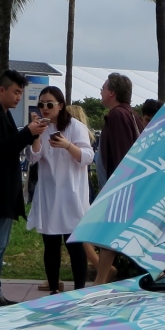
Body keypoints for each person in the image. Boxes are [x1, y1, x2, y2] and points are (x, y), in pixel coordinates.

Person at [0, 70, 46, 307]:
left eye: (21, 93)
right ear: (2, 90)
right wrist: (28, 133)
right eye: (16, 92)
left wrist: (27, 132)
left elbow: (8, 145)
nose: (19, 97)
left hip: (4, 188)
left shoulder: (2, 114)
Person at [26, 86, 93, 295]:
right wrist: (36, 134)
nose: (44, 108)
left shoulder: (75, 127)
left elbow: (87, 156)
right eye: (41, 104)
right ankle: (54, 288)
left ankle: (79, 290)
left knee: (74, 244)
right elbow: (33, 157)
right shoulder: (40, 128)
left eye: (49, 104)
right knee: (51, 243)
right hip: (48, 193)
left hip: (71, 193)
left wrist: (67, 145)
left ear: (60, 105)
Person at [94, 73, 141, 284]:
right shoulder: (131, 114)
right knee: (108, 235)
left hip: (119, 188)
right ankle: (102, 277)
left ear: (112, 93)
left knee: (108, 234)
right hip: (124, 187)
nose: (101, 92)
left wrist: (117, 188)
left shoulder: (118, 116)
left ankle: (101, 280)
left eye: (103, 88)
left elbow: (122, 155)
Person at [66, 103, 100, 278]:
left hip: (76, 188)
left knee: (75, 233)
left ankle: (102, 266)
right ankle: (101, 266)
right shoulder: (86, 137)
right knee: (77, 232)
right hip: (85, 186)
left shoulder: (72, 138)